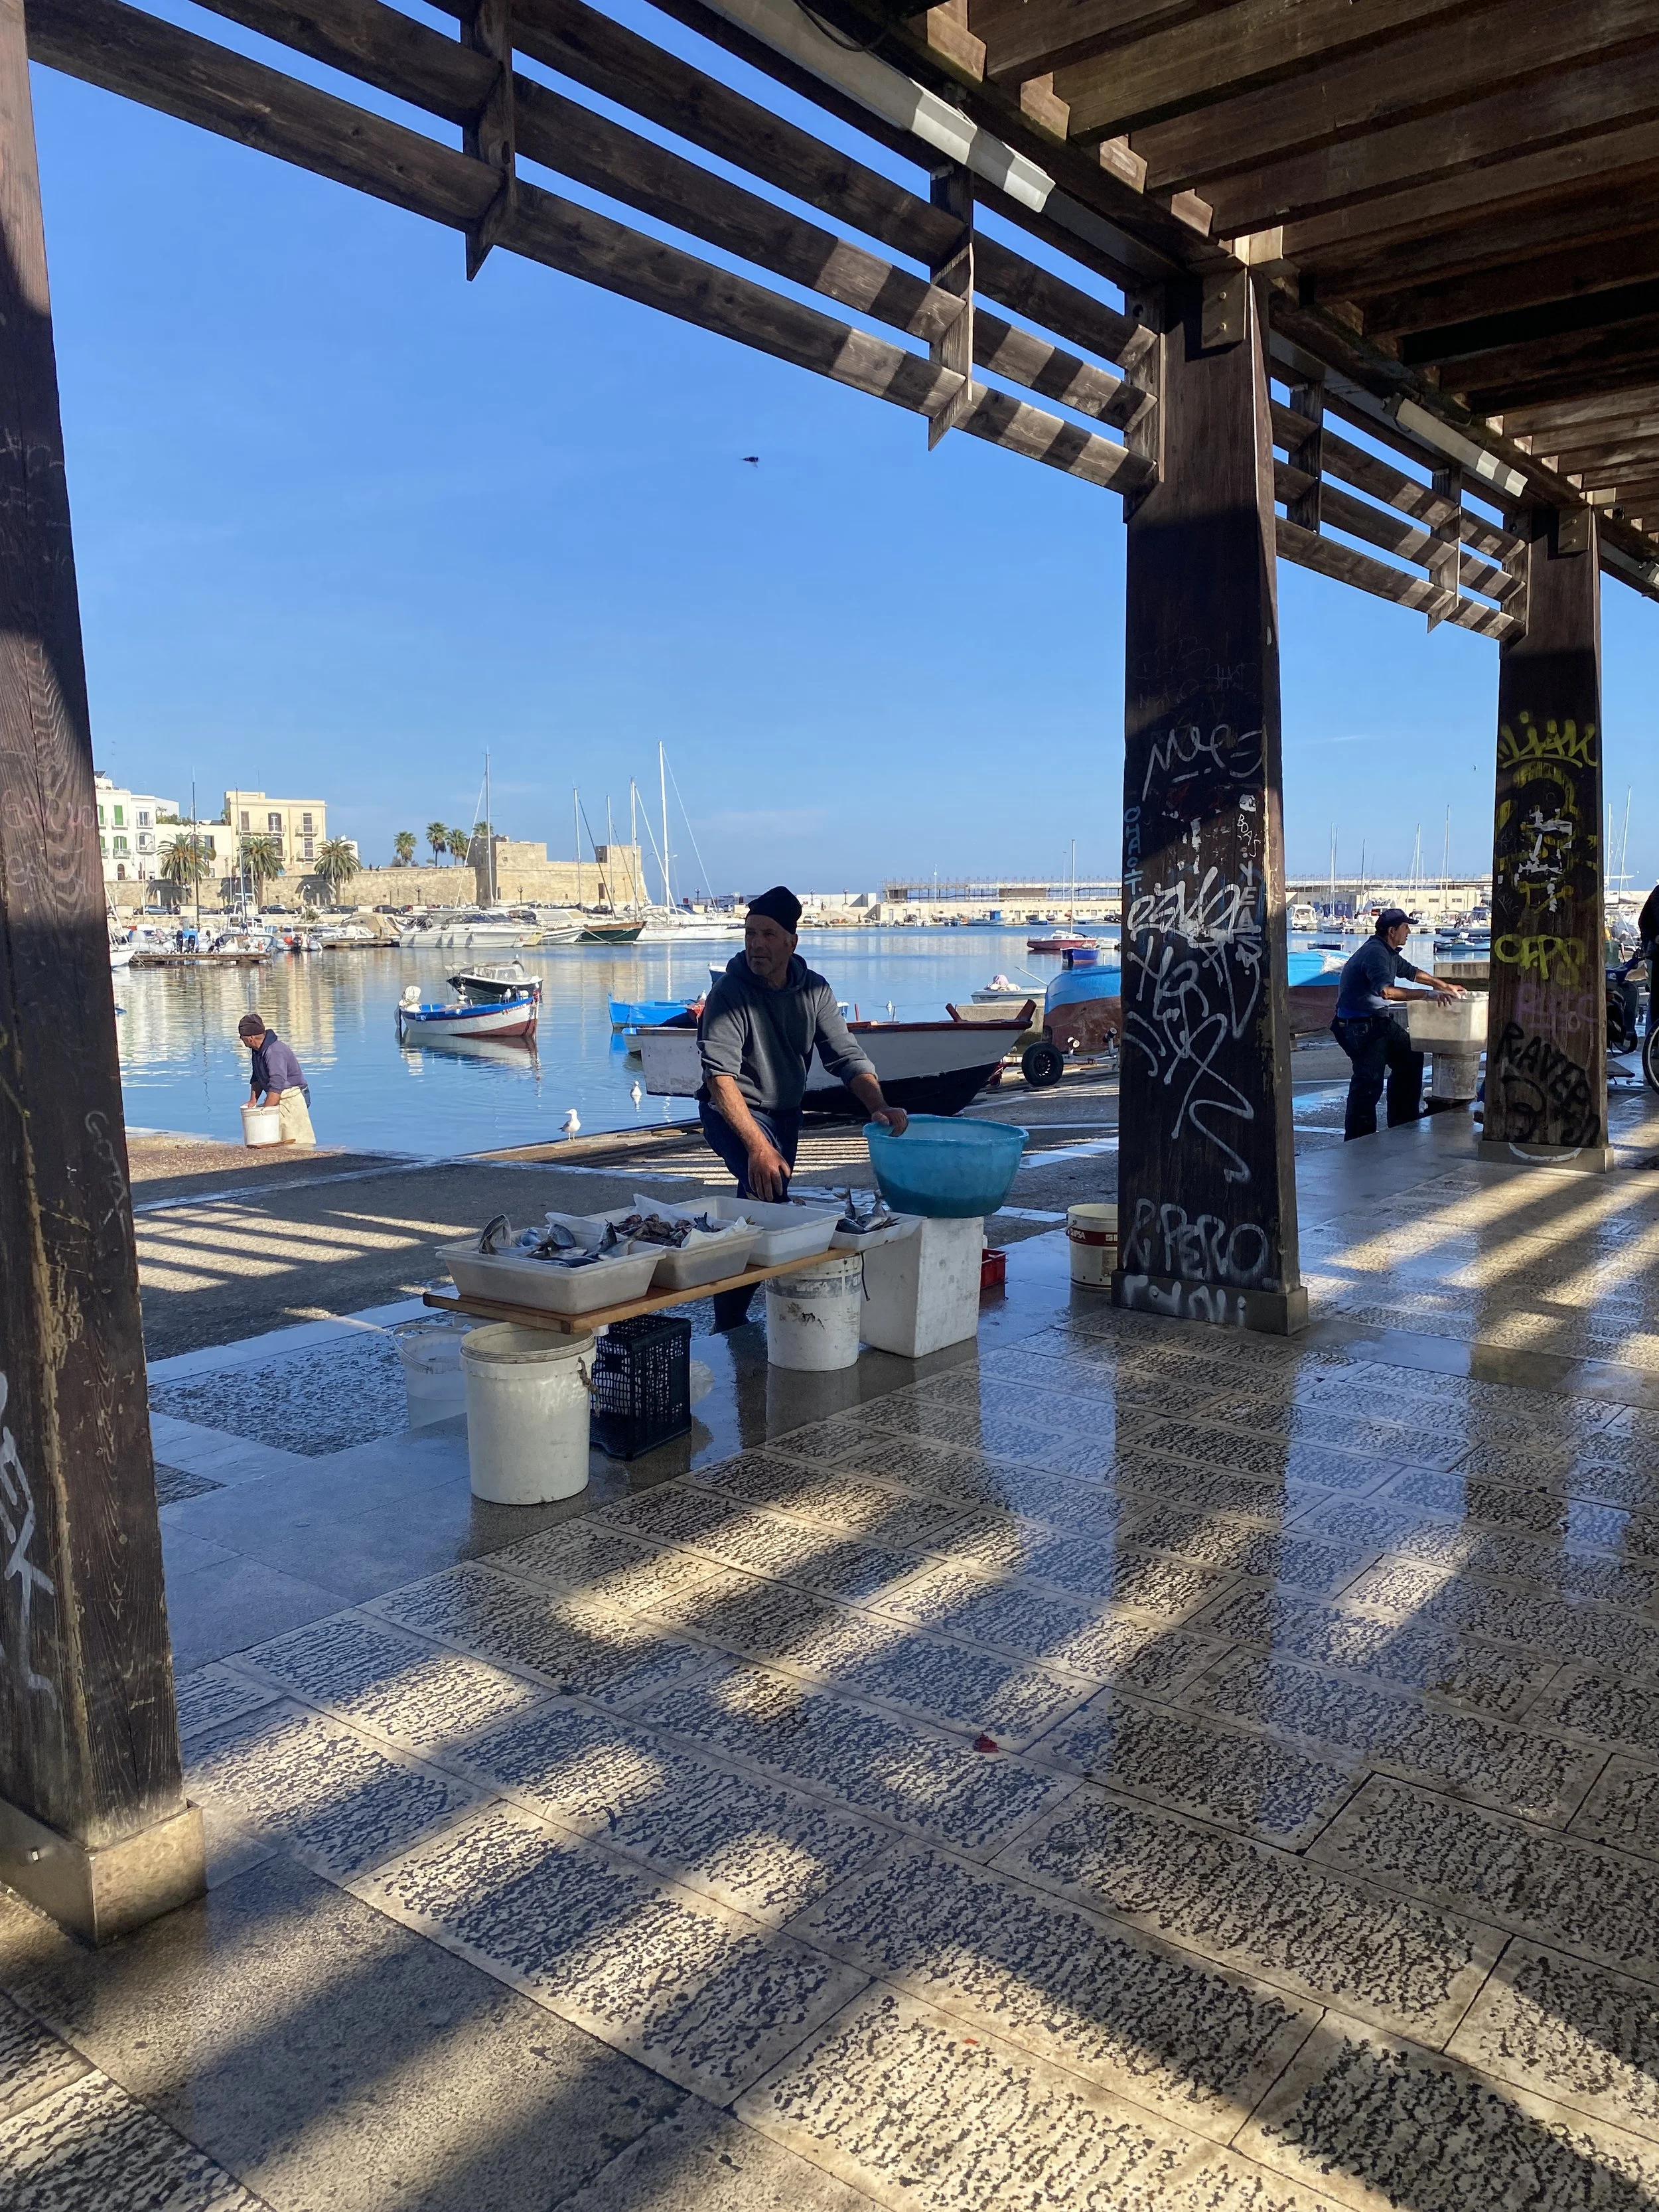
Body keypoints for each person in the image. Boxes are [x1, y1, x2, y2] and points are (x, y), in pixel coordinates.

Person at [697, 885, 908, 1327]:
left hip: (785, 1116)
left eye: (768, 934)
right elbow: (719, 1079)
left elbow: (846, 1057)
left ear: (792, 941)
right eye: (750, 933)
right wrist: (756, 1145)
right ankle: (730, 1320)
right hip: (731, 1111)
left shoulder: (814, 991)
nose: (756, 944)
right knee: (765, 1192)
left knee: (759, 1214)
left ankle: (753, 1307)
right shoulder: (729, 994)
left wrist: (880, 1105)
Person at [1331, 908, 1465, 1140]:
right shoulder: (1375, 954)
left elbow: (1412, 972)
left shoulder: (1388, 951)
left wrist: (1444, 986)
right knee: (1369, 1082)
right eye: (1406, 928)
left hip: (1378, 1020)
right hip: (1358, 1026)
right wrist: (1428, 996)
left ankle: (1403, 1121)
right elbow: (1387, 991)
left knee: (1411, 1057)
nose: (1409, 932)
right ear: (1392, 931)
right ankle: (1358, 1140)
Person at [238, 1013, 316, 1146]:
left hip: (292, 1096)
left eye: (242, 1037)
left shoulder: (274, 1052)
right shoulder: (257, 1050)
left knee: (295, 1138)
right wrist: (253, 1100)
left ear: (250, 1038)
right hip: (277, 1094)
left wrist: (265, 1113)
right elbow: (257, 1076)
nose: (240, 1039)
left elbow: (276, 1085)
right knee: (277, 1137)